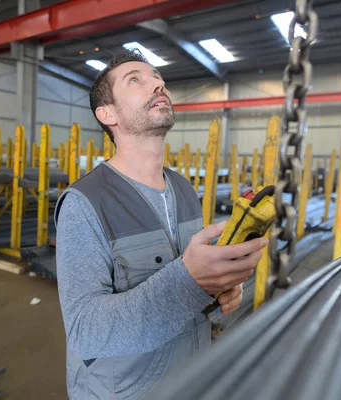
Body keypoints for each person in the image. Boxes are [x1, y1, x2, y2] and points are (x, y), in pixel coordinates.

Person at [54, 49, 268, 398]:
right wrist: (191, 282)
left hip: (191, 378)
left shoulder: (183, 188)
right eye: (136, 80)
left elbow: (188, 287)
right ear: (107, 114)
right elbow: (85, 331)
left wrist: (214, 287)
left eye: (158, 78)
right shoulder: (85, 202)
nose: (157, 84)